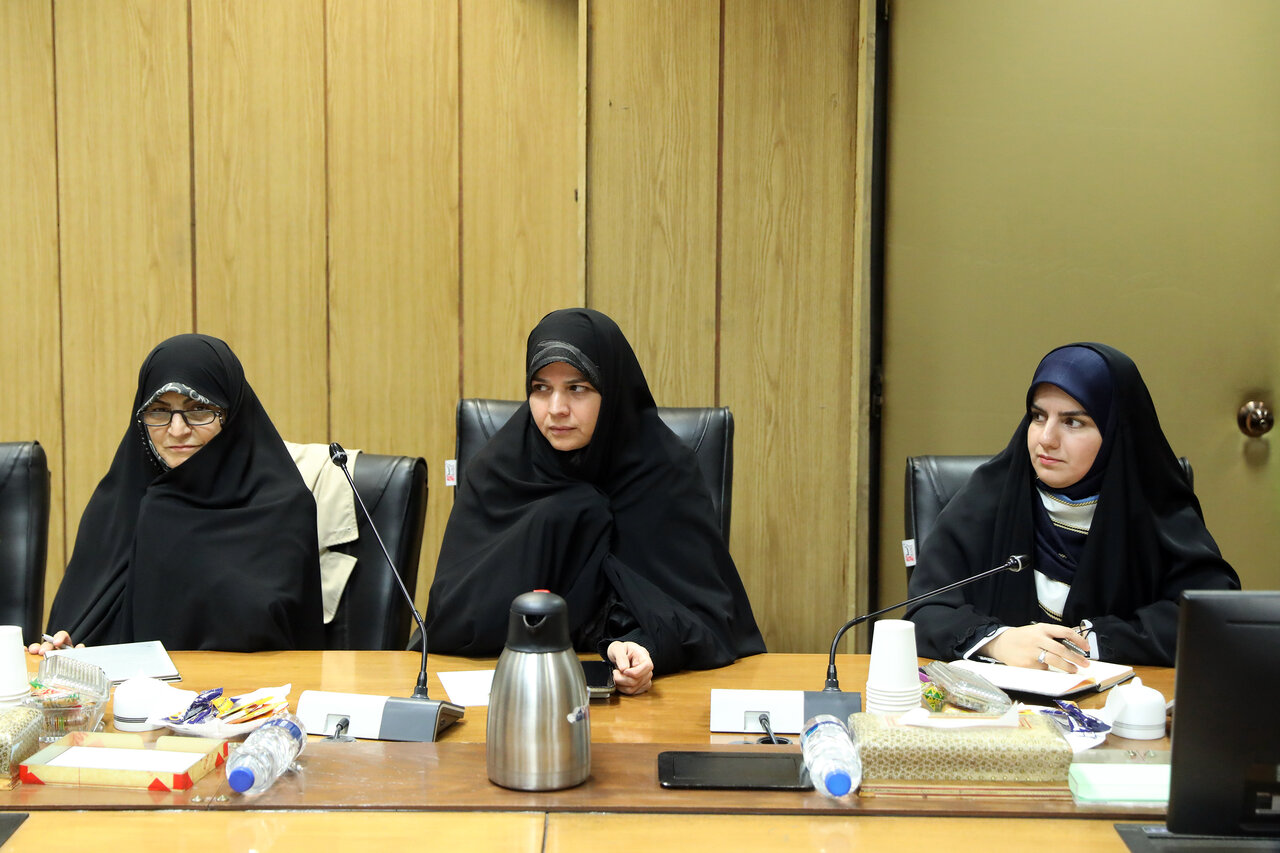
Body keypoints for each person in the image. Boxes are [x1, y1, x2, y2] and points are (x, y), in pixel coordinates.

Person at [423, 308, 765, 694]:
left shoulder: (665, 474)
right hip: (510, 692)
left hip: (647, 702)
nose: (556, 408)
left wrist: (643, 645)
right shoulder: (497, 473)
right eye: (541, 388)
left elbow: (708, 617)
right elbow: (453, 619)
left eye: (577, 388)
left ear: (612, 390)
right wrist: (560, 518)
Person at [905, 343, 1239, 669]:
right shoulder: (987, 496)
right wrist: (996, 641)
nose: (1046, 439)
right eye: (1038, 416)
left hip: (1119, 699)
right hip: (998, 701)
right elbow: (923, 610)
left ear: (1115, 431)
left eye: (1073, 422)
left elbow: (1208, 617)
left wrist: (1093, 641)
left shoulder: (1155, 507)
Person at [30, 334, 323, 654]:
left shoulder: (282, 506)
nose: (178, 430)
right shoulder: (116, 506)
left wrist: (168, 527)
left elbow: (261, 629)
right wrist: (70, 649)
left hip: (247, 685)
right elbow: (86, 625)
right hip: (129, 685)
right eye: (158, 410)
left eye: (199, 409)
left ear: (232, 414)